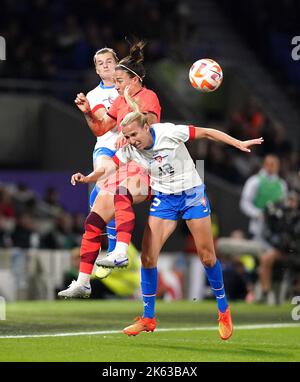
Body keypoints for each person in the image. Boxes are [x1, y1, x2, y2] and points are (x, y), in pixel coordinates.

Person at [71, 88, 263, 340]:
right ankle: (148, 318)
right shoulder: (130, 148)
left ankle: (223, 310)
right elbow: (109, 166)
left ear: (146, 127)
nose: (130, 140)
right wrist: (87, 177)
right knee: (148, 258)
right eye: (126, 136)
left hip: (192, 194)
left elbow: (204, 132)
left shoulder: (169, 132)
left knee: (207, 257)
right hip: (164, 199)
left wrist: (237, 143)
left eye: (133, 135)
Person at [58, 40, 161, 298]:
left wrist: (127, 131)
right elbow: (102, 127)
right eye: (113, 81)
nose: (116, 87)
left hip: (144, 164)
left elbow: (149, 123)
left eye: (119, 81)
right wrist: (88, 113)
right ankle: (83, 282)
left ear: (133, 79)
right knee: (93, 218)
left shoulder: (147, 96)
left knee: (119, 194)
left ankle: (119, 251)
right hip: (119, 160)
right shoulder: (117, 99)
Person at [240, 154, 287, 242]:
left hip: (273, 228)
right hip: (256, 225)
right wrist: (258, 214)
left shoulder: (282, 185)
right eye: (268, 164)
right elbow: (244, 203)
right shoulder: (254, 181)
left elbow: (284, 204)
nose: (270, 167)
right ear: (264, 164)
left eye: (273, 164)